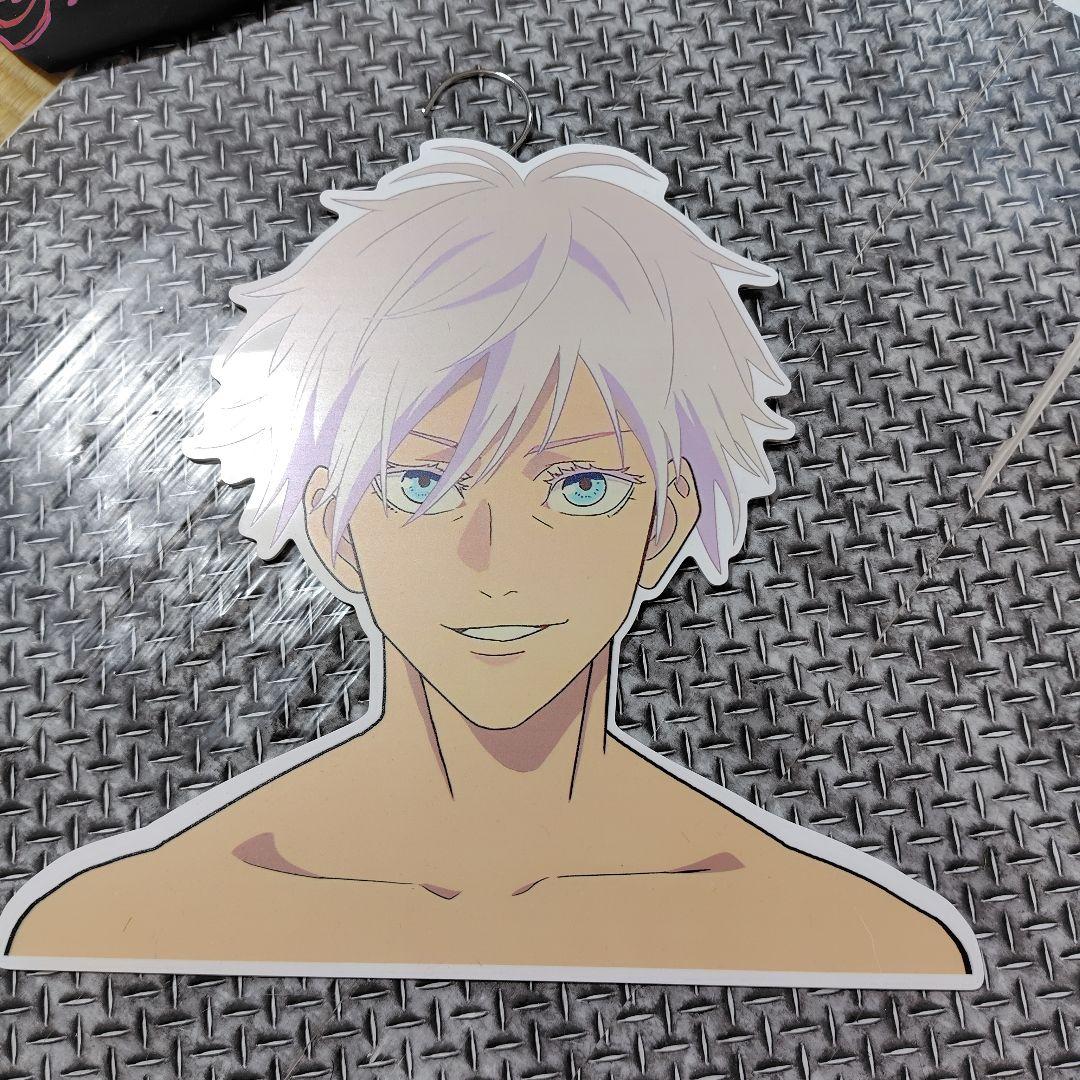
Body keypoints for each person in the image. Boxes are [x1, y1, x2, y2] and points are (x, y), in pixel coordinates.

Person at [0, 141, 980, 985]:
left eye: (580, 486)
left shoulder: (848, 931)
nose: (495, 561)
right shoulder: (119, 919)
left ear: (667, 519)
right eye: (421, 485)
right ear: (331, 523)